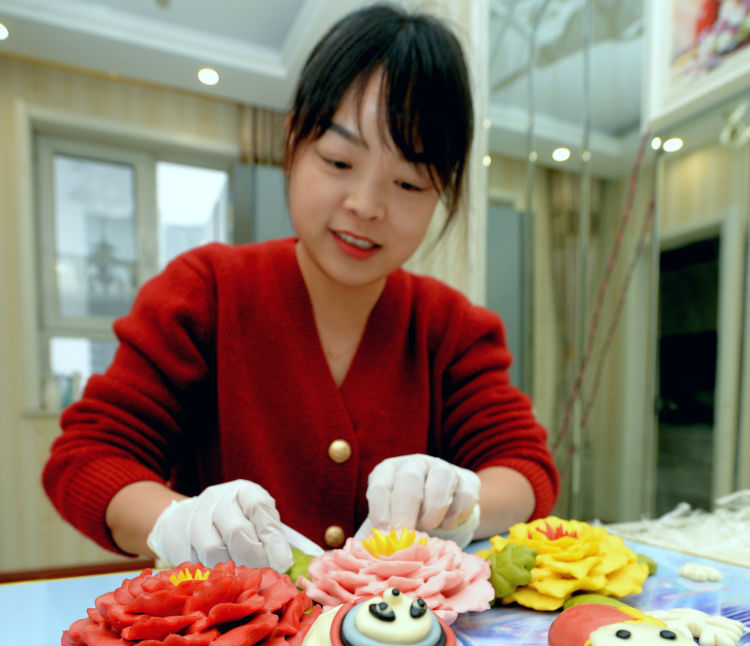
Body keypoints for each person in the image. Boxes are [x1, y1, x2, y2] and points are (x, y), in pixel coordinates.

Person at [42, 3, 558, 574]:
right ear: (293, 143)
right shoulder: (205, 293)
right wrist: (177, 520)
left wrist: (463, 501)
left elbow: (525, 468)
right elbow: (87, 457)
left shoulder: (449, 327)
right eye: (339, 161)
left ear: (444, 192)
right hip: (224, 640)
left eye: (409, 182)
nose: (365, 206)